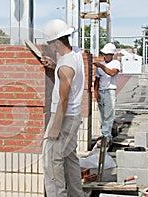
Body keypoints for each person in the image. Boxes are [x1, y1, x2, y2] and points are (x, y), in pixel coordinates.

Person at [41, 19, 85, 197]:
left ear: (57, 41)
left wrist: (55, 126)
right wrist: (54, 67)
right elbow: (66, 82)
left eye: (50, 42)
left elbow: (64, 98)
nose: (50, 46)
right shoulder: (75, 54)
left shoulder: (66, 66)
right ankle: (76, 194)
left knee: (51, 161)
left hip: (64, 117)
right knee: (69, 158)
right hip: (73, 116)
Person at [93, 43, 121, 144]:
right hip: (101, 91)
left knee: (109, 114)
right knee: (102, 115)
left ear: (112, 54)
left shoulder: (115, 63)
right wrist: (95, 91)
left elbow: (112, 73)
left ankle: (107, 136)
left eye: (107, 54)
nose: (105, 56)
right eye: (104, 54)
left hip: (110, 91)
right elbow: (97, 79)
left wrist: (100, 65)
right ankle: (104, 134)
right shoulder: (100, 65)